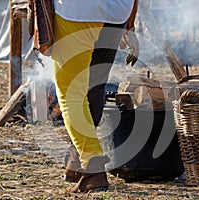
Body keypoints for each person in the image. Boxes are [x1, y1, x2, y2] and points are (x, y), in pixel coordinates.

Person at [51, 0, 139, 193]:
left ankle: (93, 169)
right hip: (117, 13)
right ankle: (77, 160)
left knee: (71, 92)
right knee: (94, 86)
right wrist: (130, 22)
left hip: (78, 11)